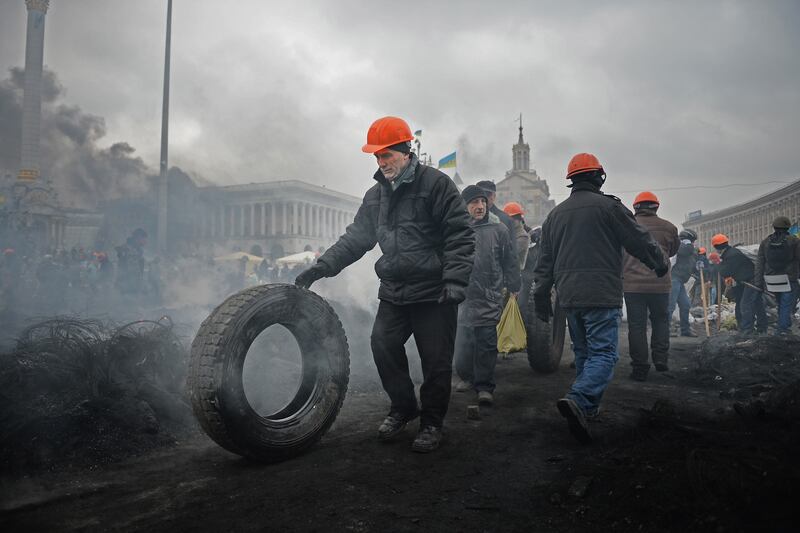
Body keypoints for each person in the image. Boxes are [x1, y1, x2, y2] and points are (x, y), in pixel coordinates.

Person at [295, 116, 475, 453]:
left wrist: (454, 280)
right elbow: (355, 239)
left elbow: (460, 235)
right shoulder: (375, 196)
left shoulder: (437, 185)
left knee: (435, 361)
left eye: (387, 155)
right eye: (377, 157)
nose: (381, 163)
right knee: (382, 344)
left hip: (434, 292)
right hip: (394, 291)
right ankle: (404, 406)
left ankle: (432, 422)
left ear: (407, 152)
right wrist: (322, 267)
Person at [533, 153, 668, 443]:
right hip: (601, 293)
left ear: (571, 181)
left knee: (583, 352)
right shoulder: (610, 208)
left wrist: (541, 295)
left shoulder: (554, 216)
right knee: (605, 353)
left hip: (569, 296)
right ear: (599, 177)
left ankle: (588, 409)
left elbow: (544, 262)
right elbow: (639, 239)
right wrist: (659, 263)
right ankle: (579, 399)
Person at [454, 186, 520, 405]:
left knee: (486, 343)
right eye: (474, 203)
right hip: (463, 295)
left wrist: (514, 285)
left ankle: (484, 387)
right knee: (463, 341)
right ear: (465, 206)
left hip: (489, 294)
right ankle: (466, 377)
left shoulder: (499, 229)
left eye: (482, 202)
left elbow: (509, 259)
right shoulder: (457, 229)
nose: (479, 206)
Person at [622, 191, 680, 381]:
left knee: (636, 326)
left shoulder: (625, 226)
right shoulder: (669, 228)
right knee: (661, 322)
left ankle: (639, 367)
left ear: (635, 207)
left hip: (633, 286)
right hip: (660, 285)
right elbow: (671, 252)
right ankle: (661, 360)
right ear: (656, 207)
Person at [713, 233, 767, 336]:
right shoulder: (731, 253)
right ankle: (759, 328)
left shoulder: (731, 255)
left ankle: (747, 330)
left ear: (716, 247)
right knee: (755, 304)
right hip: (748, 281)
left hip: (751, 282)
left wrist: (718, 264)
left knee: (746, 305)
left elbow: (725, 272)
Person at [754, 216, 800, 335]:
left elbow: (760, 263)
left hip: (771, 280)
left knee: (780, 303)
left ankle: (783, 325)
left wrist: (758, 282)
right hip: (788, 279)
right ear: (788, 227)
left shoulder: (765, 242)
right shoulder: (794, 241)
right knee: (787, 304)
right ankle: (782, 329)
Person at [669, 229, 699, 337]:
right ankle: (665, 329)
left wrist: (698, 269)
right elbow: (686, 251)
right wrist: (690, 245)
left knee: (685, 305)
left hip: (680, 280)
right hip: (673, 278)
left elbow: (691, 262)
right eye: (692, 240)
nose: (693, 243)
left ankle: (685, 330)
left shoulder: (689, 249)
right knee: (670, 305)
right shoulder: (680, 246)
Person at [503, 201, 531, 270]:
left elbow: (508, 254)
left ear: (519, 219)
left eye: (514, 219)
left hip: (516, 274)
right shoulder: (507, 232)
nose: (511, 222)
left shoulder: (523, 236)